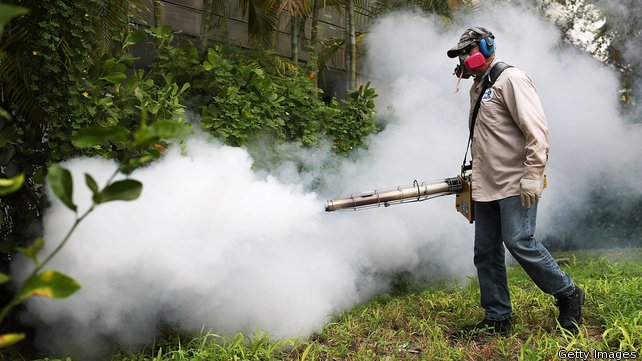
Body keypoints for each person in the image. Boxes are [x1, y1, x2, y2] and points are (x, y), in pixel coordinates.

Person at [446, 27, 584, 334]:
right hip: (485, 185)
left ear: (485, 46)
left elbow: (537, 131)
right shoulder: (478, 87)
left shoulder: (512, 79)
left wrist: (533, 175)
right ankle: (497, 318)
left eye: (468, 51)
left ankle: (568, 293)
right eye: (461, 55)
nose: (465, 59)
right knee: (485, 252)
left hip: (514, 183)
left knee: (519, 241)